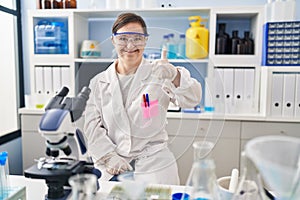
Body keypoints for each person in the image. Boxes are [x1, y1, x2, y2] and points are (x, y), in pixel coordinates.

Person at [84, 12, 202, 185]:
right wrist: (108, 156)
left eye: (137, 38)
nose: (130, 45)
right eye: (123, 38)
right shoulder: (98, 82)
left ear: (145, 40)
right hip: (112, 165)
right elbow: (92, 127)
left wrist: (174, 74)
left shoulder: (160, 72)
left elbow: (193, 98)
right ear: (113, 40)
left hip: (154, 161)